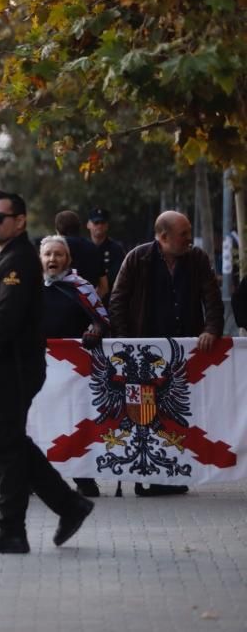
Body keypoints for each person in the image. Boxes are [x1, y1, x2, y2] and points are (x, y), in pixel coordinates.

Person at [0, 190, 94, 553]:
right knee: (12, 445)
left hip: (12, 365)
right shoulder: (5, 256)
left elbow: (8, 315)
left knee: (4, 450)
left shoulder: (21, 260)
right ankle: (69, 505)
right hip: (4, 365)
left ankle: (11, 529)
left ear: (19, 221)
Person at [109, 210, 223, 497]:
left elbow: (212, 297)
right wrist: (126, 344)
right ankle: (146, 475)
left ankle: (174, 474)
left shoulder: (197, 259)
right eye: (183, 233)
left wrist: (211, 329)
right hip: (145, 356)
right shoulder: (137, 258)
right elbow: (118, 301)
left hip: (185, 355)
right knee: (148, 416)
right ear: (163, 237)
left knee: (180, 413)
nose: (188, 238)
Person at [38, 235, 110, 498]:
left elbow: (103, 320)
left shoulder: (81, 287)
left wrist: (95, 329)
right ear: (41, 259)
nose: (52, 259)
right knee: (39, 425)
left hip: (74, 373)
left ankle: (84, 477)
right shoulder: (29, 289)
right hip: (38, 369)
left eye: (58, 254)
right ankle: (36, 478)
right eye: (48, 255)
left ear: (68, 259)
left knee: (76, 423)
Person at [54, 210, 108, 297]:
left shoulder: (54, 249)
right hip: (86, 305)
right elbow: (104, 287)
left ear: (57, 229)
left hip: (59, 305)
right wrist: (91, 302)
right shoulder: (93, 248)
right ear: (79, 227)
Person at [86, 207, 126, 293]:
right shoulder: (84, 248)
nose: (100, 226)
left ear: (107, 225)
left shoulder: (116, 249)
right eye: (96, 222)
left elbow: (118, 276)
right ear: (88, 225)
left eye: (103, 222)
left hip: (110, 298)